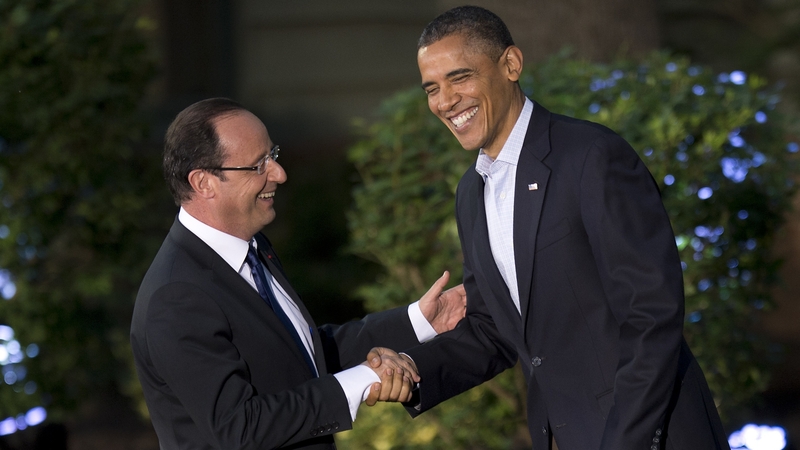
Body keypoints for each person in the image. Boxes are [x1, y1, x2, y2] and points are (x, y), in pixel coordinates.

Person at [375, 6, 731, 450]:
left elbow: (651, 317)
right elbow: (494, 331)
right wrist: (410, 369)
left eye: (460, 78)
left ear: (511, 65)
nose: (445, 101)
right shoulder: (471, 193)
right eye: (432, 87)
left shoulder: (592, 156)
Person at [130, 98, 465, 449]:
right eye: (259, 165)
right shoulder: (175, 296)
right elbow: (240, 428)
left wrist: (420, 321)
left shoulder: (254, 247)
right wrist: (364, 378)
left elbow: (301, 354)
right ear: (203, 183)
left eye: (272, 154)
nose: (279, 173)